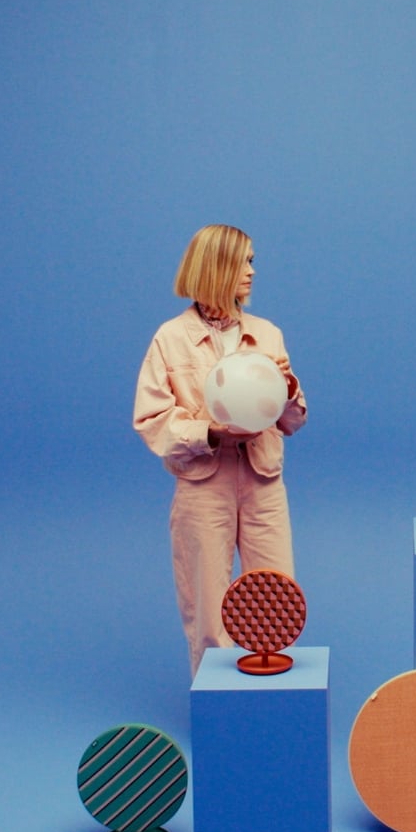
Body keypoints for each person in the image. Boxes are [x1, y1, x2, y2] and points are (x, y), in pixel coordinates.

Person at [133, 224, 307, 676]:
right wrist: (208, 433)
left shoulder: (268, 334)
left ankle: (271, 698)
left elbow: (293, 421)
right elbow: (151, 421)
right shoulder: (170, 338)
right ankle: (217, 705)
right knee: (208, 611)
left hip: (263, 482)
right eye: (244, 261)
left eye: (252, 261)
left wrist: (287, 388)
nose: (252, 272)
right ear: (217, 267)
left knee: (277, 599)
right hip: (203, 486)